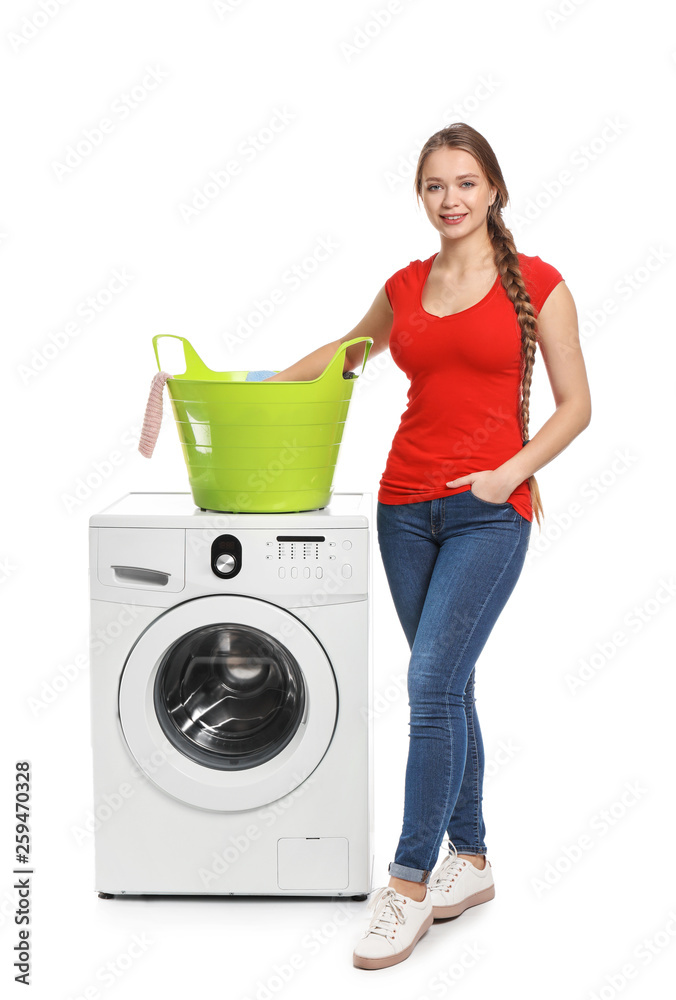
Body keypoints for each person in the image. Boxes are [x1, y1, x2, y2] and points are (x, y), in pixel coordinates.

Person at [263, 122, 591, 970]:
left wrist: (507, 475)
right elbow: (347, 354)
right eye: (436, 186)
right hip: (403, 509)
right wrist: (254, 382)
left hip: (489, 511)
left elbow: (577, 405)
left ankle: (407, 886)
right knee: (449, 684)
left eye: (466, 183)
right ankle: (470, 860)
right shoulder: (405, 286)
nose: (451, 200)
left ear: (495, 190)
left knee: (429, 684)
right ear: (421, 195)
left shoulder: (540, 284)